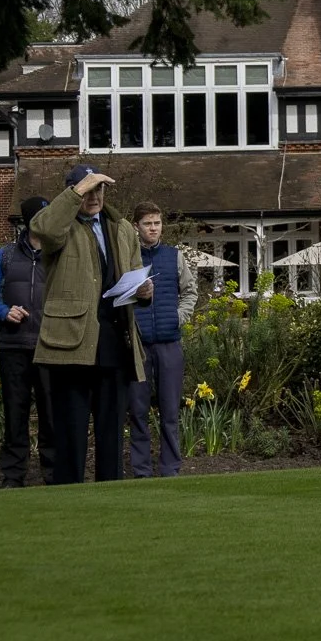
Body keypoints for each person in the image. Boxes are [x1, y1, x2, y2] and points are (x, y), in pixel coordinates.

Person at [32, 165, 149, 485]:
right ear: (75, 191)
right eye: (88, 190)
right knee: (70, 429)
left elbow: (135, 271)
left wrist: (144, 291)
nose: (95, 197)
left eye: (100, 189)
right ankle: (68, 497)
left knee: (112, 430)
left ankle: (110, 496)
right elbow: (42, 227)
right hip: (70, 341)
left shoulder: (122, 228)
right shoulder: (60, 227)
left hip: (114, 337)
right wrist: (76, 191)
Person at [0, 196, 55, 487]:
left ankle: (53, 473)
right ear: (31, 221)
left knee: (51, 415)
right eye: (42, 216)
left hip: (49, 346)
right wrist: (4, 311)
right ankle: (13, 476)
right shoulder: (6, 255)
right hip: (13, 347)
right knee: (15, 414)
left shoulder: (58, 253)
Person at [125, 203, 198, 479]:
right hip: (138, 346)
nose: (153, 228)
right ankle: (142, 470)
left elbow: (191, 292)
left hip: (169, 344)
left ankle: (170, 469)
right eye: (147, 223)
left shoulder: (173, 256)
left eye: (157, 223)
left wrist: (178, 317)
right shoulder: (128, 258)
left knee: (170, 411)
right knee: (138, 412)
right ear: (136, 227)